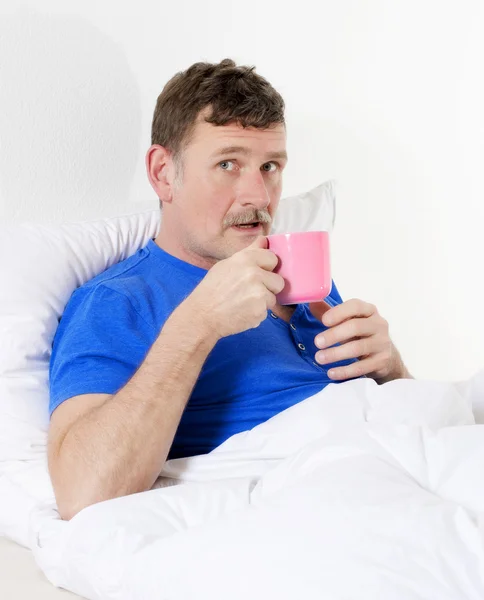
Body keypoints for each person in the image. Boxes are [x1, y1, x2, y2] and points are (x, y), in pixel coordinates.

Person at [48, 59, 412, 520]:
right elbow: (83, 493)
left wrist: (392, 370)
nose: (259, 196)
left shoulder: (301, 275)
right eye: (227, 164)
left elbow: (399, 421)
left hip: (392, 469)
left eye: (270, 166)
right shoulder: (119, 300)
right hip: (314, 505)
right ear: (163, 173)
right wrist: (198, 325)